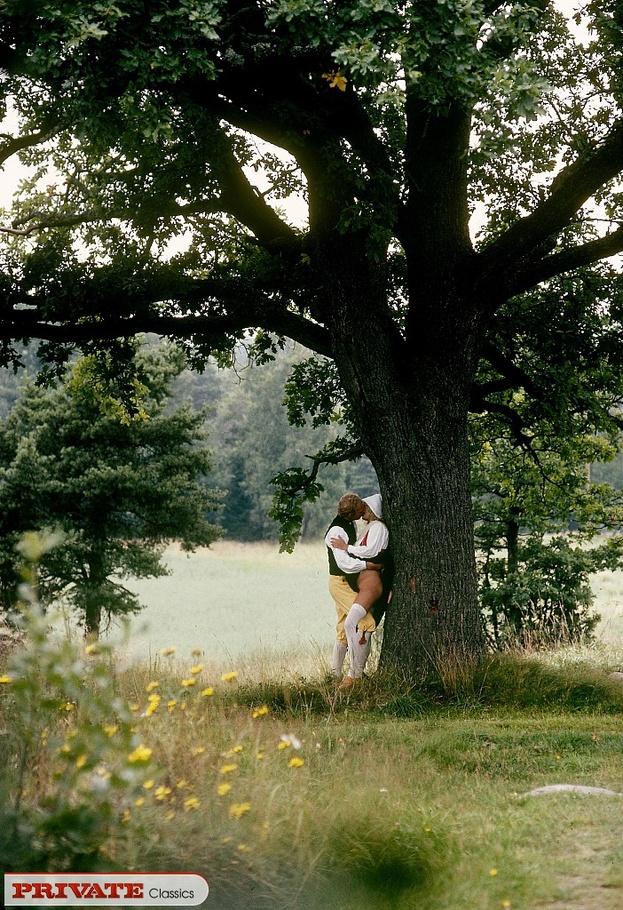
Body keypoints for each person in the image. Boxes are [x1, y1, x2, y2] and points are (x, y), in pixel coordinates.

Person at [325, 492, 391, 688]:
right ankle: (347, 675)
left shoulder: (375, 527)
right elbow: (344, 563)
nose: (362, 514)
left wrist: (350, 549)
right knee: (357, 624)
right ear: (351, 514)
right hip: (342, 581)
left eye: (365, 510)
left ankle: (347, 675)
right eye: (360, 511)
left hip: (353, 581)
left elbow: (370, 551)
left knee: (349, 626)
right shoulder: (339, 530)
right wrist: (368, 566)